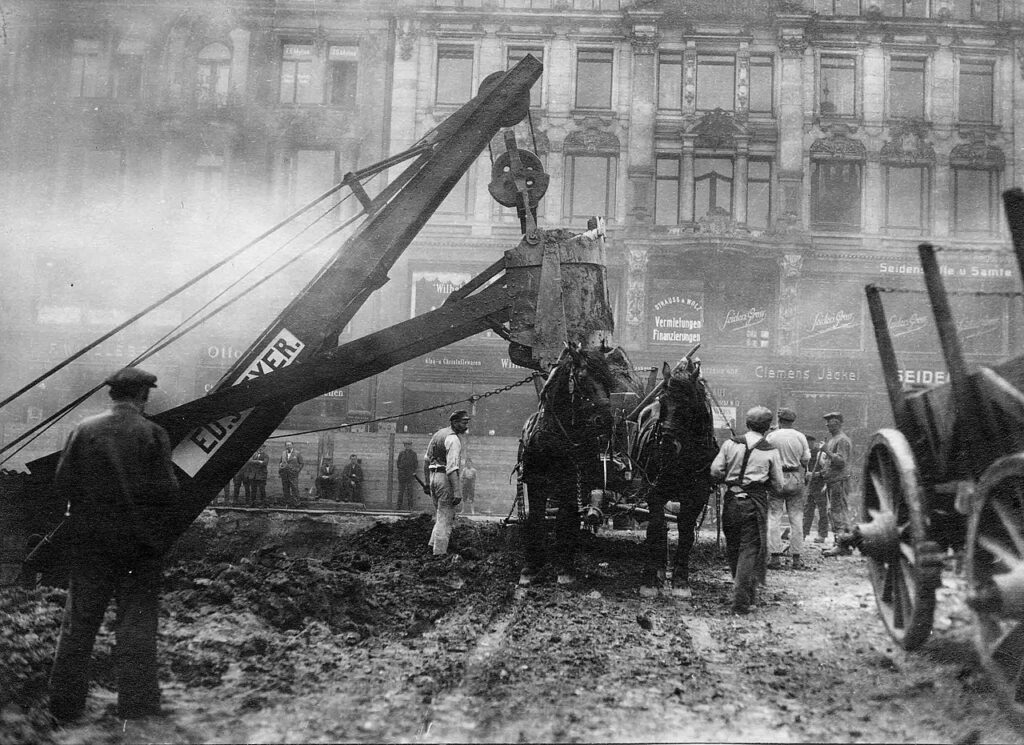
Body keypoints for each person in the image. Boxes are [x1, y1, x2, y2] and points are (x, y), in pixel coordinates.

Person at [48, 367, 180, 722]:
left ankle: (64, 707)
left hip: (90, 546)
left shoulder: (84, 430)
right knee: (136, 627)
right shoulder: (154, 434)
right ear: (144, 395)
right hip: (137, 549)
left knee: (78, 627)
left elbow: (62, 485)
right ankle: (136, 710)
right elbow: (168, 493)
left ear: (112, 395)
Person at [710, 405, 784, 615]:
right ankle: (741, 601)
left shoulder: (730, 444)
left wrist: (729, 480)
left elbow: (715, 471)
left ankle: (747, 592)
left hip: (732, 501)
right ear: (767, 427)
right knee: (750, 550)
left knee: (734, 547)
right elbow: (779, 485)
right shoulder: (770, 451)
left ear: (747, 423)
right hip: (754, 504)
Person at [765, 408, 810, 570]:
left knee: (774, 518)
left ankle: (775, 557)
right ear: (793, 421)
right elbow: (805, 459)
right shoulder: (800, 436)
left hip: (777, 478)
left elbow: (766, 457)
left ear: (779, 419)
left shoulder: (771, 436)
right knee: (796, 519)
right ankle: (796, 559)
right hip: (795, 477)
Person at [423, 410, 469, 555]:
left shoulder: (438, 435)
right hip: (444, 479)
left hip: (433, 478)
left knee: (440, 515)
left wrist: (426, 483)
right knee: (446, 519)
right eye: (464, 422)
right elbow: (451, 468)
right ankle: (439, 554)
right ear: (455, 423)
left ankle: (431, 546)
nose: (466, 426)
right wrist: (457, 491)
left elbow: (426, 460)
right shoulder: (453, 439)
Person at [821, 412, 855, 557]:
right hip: (833, 481)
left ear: (839, 423)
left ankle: (842, 545)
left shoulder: (842, 440)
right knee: (834, 511)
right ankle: (840, 543)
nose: (827, 424)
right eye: (827, 422)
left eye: (831, 422)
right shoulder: (834, 439)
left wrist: (826, 451)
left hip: (839, 481)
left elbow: (841, 462)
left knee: (838, 512)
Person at [802, 435, 830, 544]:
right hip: (810, 486)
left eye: (809, 443)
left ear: (813, 442)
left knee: (822, 511)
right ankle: (803, 533)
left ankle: (822, 535)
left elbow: (827, 470)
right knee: (808, 510)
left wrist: (816, 474)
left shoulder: (820, 454)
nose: (808, 445)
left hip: (820, 486)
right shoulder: (805, 454)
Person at [395, 440, 419, 511]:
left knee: (410, 492)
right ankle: (398, 507)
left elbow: (415, 464)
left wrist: (412, 472)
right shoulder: (401, 454)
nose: (407, 446)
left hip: (410, 475)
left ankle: (410, 507)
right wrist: (401, 471)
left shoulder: (413, 454)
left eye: (408, 445)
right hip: (402, 475)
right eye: (406, 445)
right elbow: (398, 464)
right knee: (400, 492)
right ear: (404, 446)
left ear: (410, 446)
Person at [278, 441, 304, 506]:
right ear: (285, 446)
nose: (288, 446)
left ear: (292, 445)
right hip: (284, 474)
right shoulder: (283, 453)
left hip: (293, 474)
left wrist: (297, 470)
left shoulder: (297, 453)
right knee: (285, 488)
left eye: (289, 445)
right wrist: (281, 469)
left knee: (294, 488)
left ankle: (296, 503)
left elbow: (301, 463)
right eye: (287, 445)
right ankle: (287, 503)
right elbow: (280, 462)